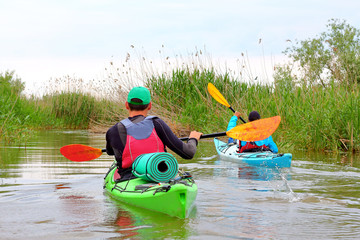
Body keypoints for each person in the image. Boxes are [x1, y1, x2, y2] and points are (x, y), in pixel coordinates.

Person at [106, 86, 203, 180]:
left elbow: (110, 152)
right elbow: (188, 153)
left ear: (126, 105)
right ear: (150, 106)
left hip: (128, 179)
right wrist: (193, 139)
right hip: (160, 177)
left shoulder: (113, 131)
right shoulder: (157, 124)